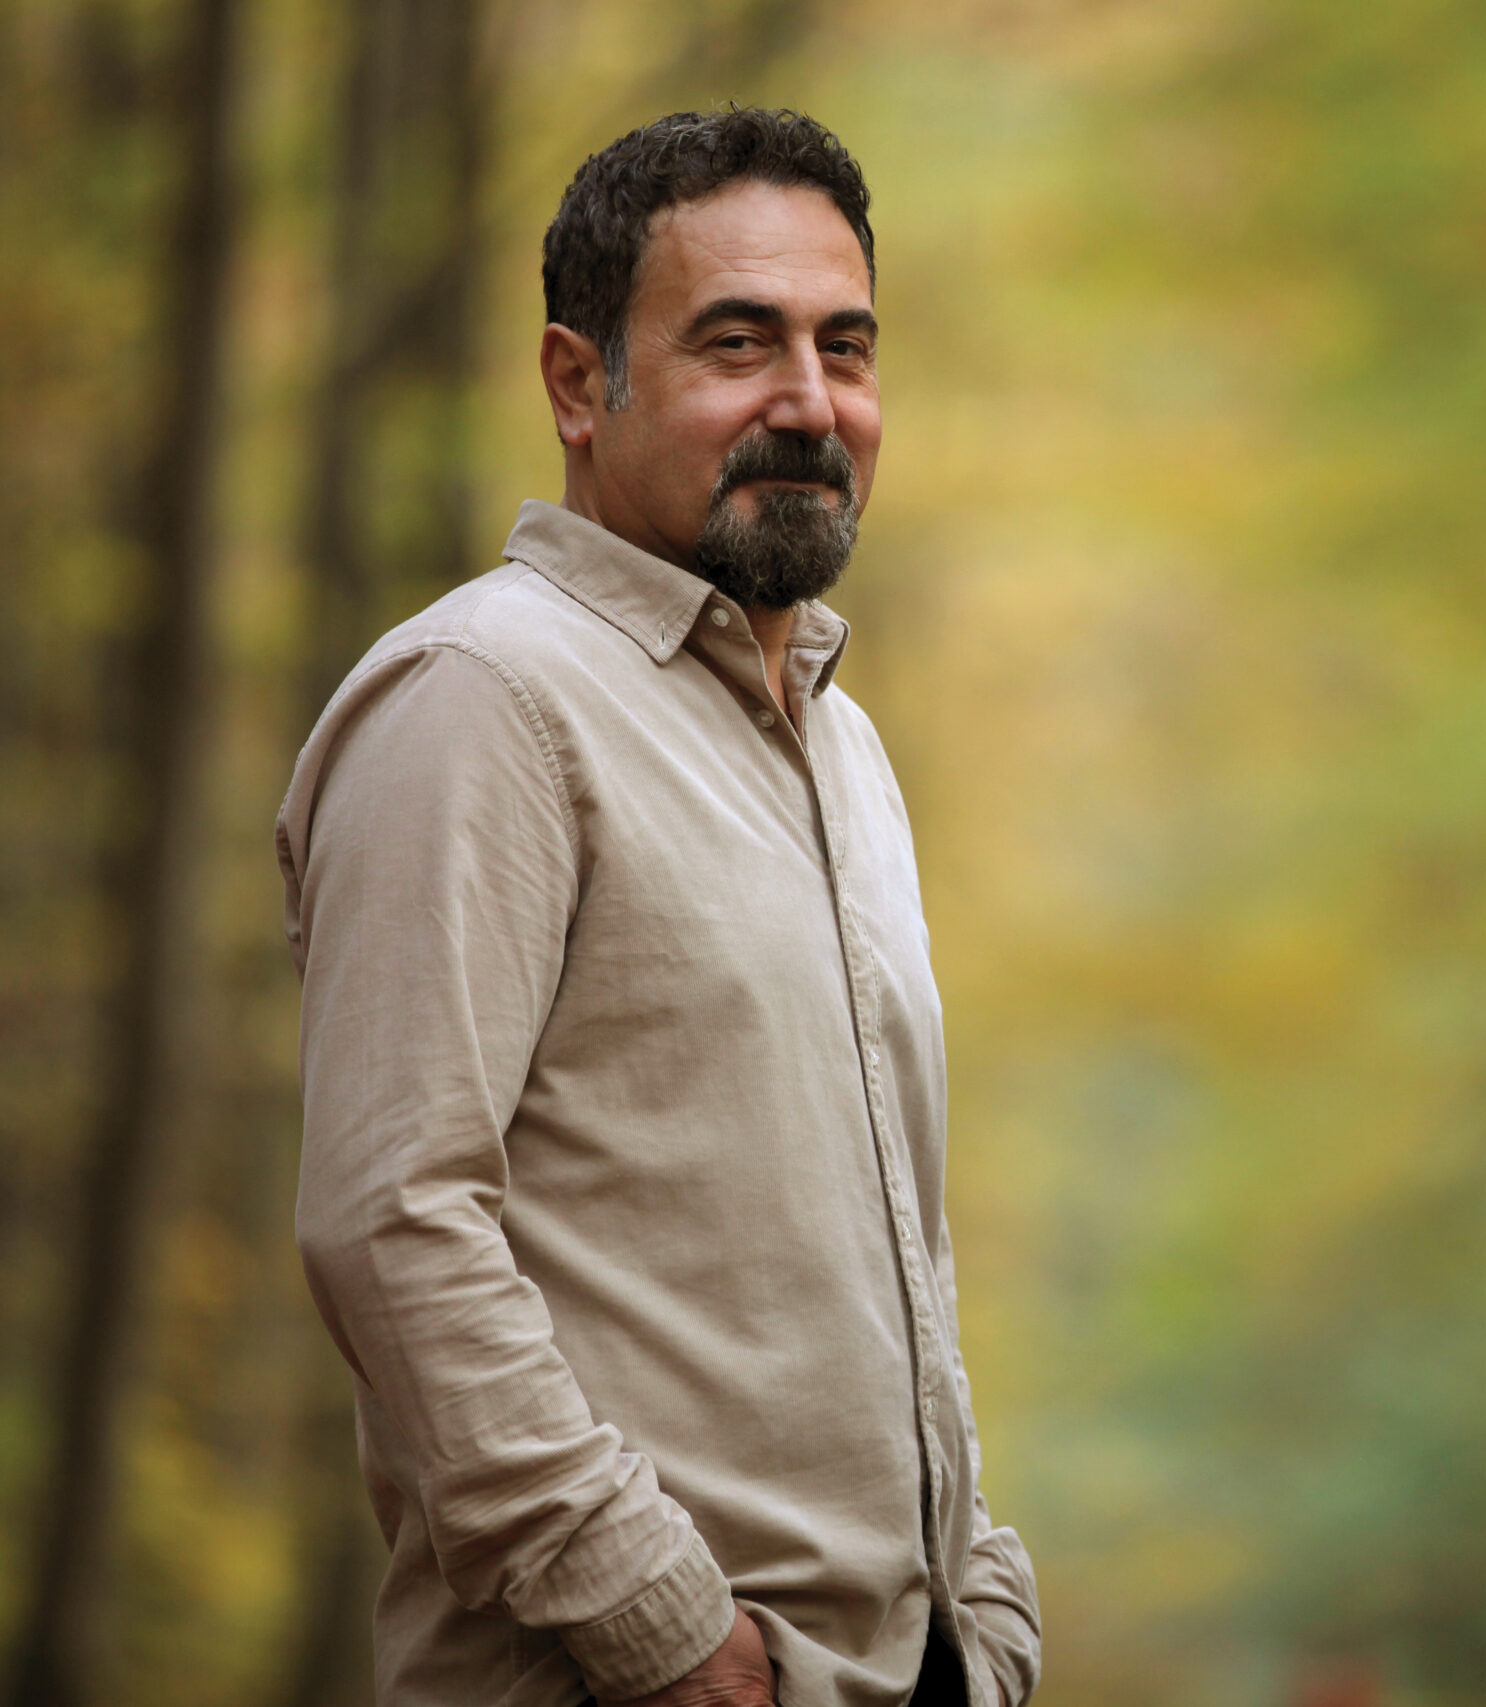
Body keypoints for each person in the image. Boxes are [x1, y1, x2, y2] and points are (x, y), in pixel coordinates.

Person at [278, 109, 1038, 1707]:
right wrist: (660, 1626)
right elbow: (391, 1221)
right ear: (579, 384)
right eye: (738, 343)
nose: (810, 403)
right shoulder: (482, 700)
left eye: (846, 347)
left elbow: (888, 1236)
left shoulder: (840, 744)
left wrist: (983, 1600)